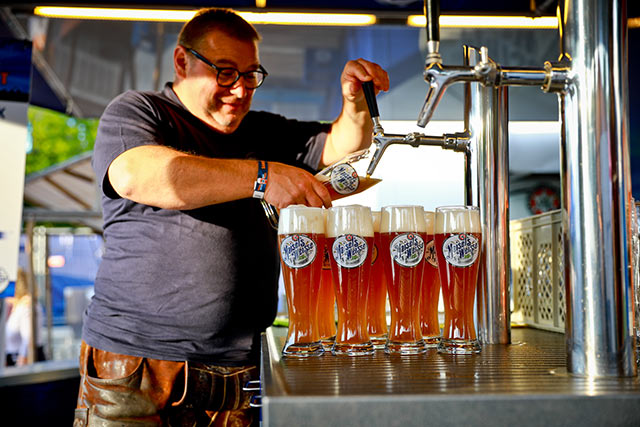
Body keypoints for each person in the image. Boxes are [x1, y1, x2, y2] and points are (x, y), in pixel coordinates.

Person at [74, 7, 389, 426]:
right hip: (137, 366)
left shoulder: (263, 132)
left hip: (235, 376)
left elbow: (340, 150)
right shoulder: (140, 112)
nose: (240, 90)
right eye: (224, 72)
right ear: (182, 62)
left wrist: (355, 105)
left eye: (251, 75)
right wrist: (262, 177)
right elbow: (136, 175)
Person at [4, 268, 46, 367]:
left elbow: (28, 340)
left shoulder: (27, 306)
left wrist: (22, 361)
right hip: (15, 358)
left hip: (22, 360)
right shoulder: (17, 306)